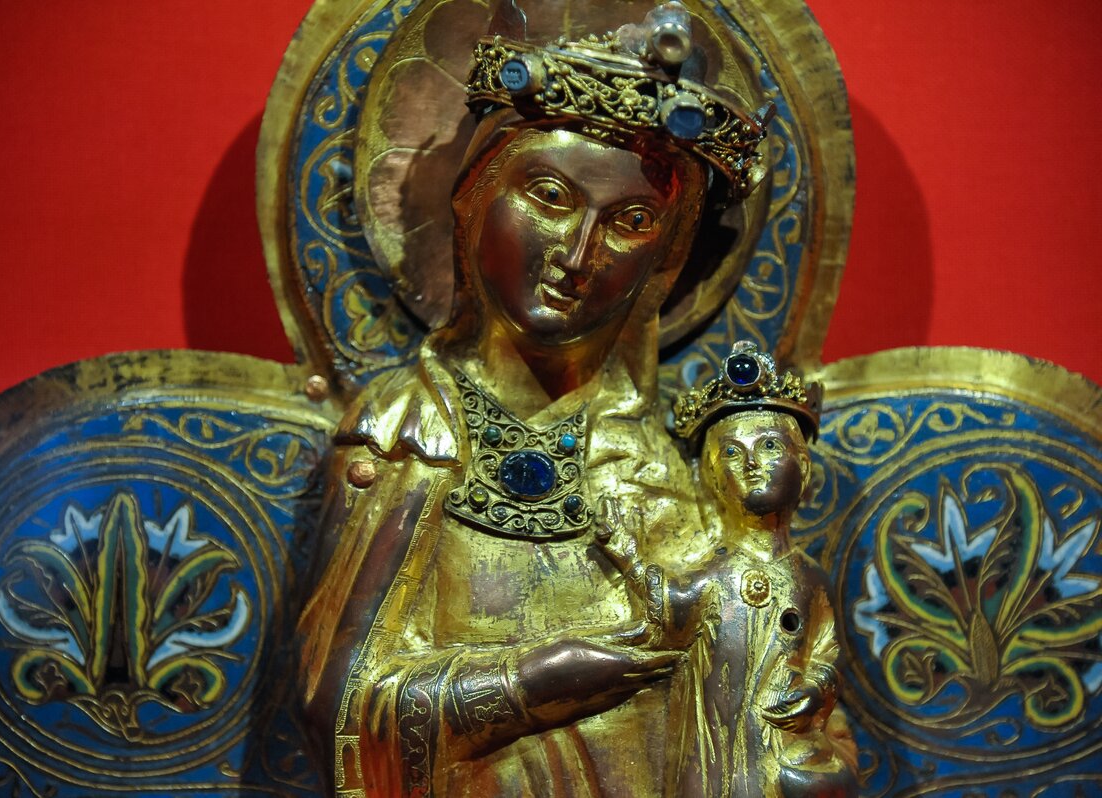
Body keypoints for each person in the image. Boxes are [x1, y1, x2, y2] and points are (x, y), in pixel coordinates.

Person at [295, 4, 771, 795]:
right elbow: (337, 706)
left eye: (631, 221)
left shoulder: (662, 466)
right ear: (475, 197)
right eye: (549, 196)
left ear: (667, 257)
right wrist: (533, 683)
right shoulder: (406, 429)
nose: (578, 254)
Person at [597, 341, 857, 796]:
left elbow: (825, 652)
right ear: (714, 481)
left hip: (785, 741)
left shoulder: (811, 577)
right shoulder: (718, 571)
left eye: (769, 445)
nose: (752, 464)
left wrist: (816, 688)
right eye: (733, 453)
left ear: (803, 466)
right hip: (720, 744)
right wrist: (625, 553)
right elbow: (672, 609)